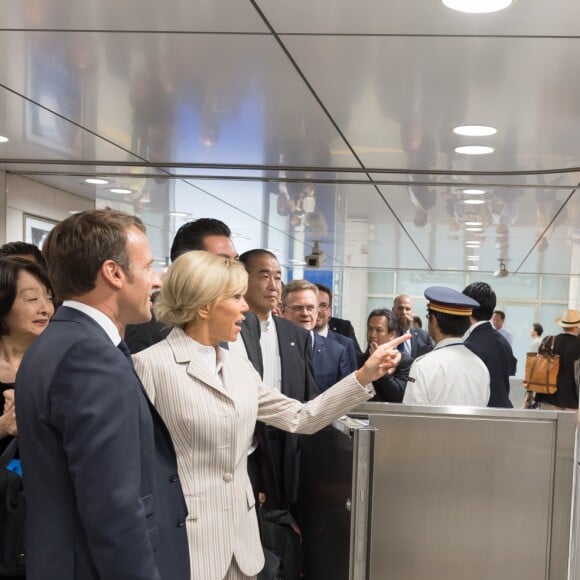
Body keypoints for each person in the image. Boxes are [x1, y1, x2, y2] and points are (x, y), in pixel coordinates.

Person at [132, 251, 407, 580]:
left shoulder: (238, 365)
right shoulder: (150, 365)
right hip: (187, 539)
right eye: (235, 297)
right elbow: (136, 469)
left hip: (244, 542)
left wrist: (364, 375)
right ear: (204, 305)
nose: (245, 306)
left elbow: (301, 416)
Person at [15, 209, 190, 580]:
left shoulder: (60, 340)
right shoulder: (89, 356)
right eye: (147, 267)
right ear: (113, 272)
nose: (156, 280)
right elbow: (113, 508)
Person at [239, 249, 316, 510]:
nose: (273, 286)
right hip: (247, 443)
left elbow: (307, 394)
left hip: (285, 440)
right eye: (264, 276)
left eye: (278, 277)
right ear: (243, 278)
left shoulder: (296, 335)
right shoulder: (231, 332)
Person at [403, 286, 490, 407]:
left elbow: (411, 416)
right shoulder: (480, 367)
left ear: (433, 321)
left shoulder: (423, 366)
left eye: (429, 317)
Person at [282, 280, 354, 395]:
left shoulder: (336, 353)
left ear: (316, 311)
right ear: (283, 311)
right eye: (297, 308)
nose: (305, 313)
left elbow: (345, 398)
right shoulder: (273, 347)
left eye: (310, 308)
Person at [462, 282, 517, 408]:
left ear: (467, 307)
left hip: (485, 417)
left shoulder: (471, 345)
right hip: (504, 412)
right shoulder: (503, 341)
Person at [359, 308, 412, 402]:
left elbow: (399, 395)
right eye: (370, 329)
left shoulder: (404, 361)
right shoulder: (359, 360)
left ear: (392, 334)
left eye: (378, 330)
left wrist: (381, 368)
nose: (372, 335)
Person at [534, 309, 580, 410]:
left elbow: (537, 369)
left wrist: (529, 396)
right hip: (571, 401)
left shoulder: (549, 340)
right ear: (577, 326)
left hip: (547, 397)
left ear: (563, 326)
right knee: (569, 426)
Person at [313, 283, 358, 371]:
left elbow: (352, 382)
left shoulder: (345, 344)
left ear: (330, 310)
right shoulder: (295, 340)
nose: (318, 310)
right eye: (313, 305)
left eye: (323, 306)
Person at [393, 294, 433, 359]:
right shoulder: (385, 334)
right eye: (400, 308)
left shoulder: (424, 337)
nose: (404, 312)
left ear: (413, 312)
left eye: (407, 309)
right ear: (393, 310)